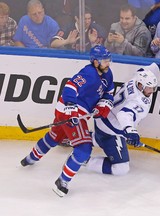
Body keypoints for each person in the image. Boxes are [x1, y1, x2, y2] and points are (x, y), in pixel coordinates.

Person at [20, 45, 115, 197]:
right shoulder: (88, 72)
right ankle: (62, 181)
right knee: (83, 149)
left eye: (109, 60)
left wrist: (104, 104)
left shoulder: (108, 73)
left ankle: (30, 158)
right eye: (105, 61)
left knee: (54, 137)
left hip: (75, 112)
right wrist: (71, 107)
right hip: (69, 111)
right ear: (95, 62)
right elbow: (70, 86)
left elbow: (109, 92)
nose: (108, 63)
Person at [85, 50, 160, 176]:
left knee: (101, 138)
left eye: (153, 87)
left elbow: (147, 70)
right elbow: (124, 114)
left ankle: (79, 138)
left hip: (103, 119)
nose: (152, 91)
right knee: (121, 168)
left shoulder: (136, 79)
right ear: (141, 85)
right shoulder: (139, 101)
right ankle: (84, 160)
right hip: (110, 130)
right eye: (149, 88)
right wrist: (131, 131)